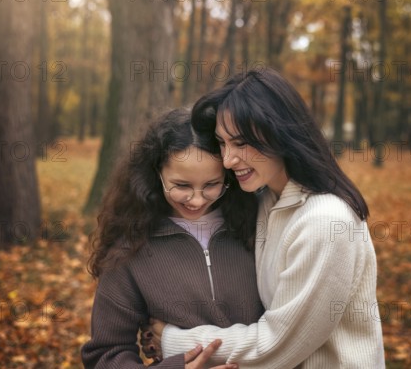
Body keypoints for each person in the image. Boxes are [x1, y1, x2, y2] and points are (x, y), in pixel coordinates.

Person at [142, 68, 385, 368]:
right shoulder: (267, 200)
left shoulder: (325, 222)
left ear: (280, 134)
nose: (228, 160)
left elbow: (276, 344)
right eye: (222, 143)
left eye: (241, 143)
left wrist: (174, 342)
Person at [81, 108, 265, 368]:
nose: (197, 199)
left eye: (212, 184)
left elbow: (289, 328)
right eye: (182, 186)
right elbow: (106, 354)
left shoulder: (260, 223)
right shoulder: (131, 245)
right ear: (156, 173)